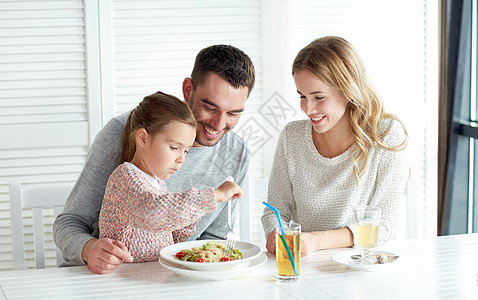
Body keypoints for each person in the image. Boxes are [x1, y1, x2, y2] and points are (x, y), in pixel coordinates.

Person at [54, 44, 255, 274]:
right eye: (210, 107)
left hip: (166, 278)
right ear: (188, 90)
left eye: (233, 113)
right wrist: (89, 249)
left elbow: (212, 239)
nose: (219, 125)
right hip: (104, 278)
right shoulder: (122, 133)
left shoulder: (236, 152)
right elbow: (68, 222)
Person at [261, 36, 409, 257]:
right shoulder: (292, 137)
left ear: (348, 91)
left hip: (361, 264)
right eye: (302, 96)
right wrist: (275, 232)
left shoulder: (385, 136)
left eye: (318, 97)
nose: (308, 109)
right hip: (305, 264)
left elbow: (384, 225)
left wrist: (318, 240)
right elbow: (275, 210)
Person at [99, 92, 242, 263]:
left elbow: (173, 237)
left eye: (186, 150)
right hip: (124, 280)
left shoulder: (159, 184)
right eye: (174, 147)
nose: (181, 159)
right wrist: (213, 196)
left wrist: (191, 218)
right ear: (143, 138)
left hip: (154, 277)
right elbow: (152, 214)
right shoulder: (124, 177)